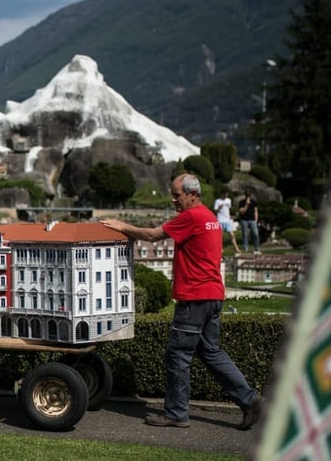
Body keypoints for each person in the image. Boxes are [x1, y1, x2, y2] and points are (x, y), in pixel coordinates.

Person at [100, 173, 263, 430]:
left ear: (192, 194)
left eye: (177, 195)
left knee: (178, 355)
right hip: (213, 296)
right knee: (211, 352)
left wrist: (122, 226)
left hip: (194, 299)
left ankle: (176, 413)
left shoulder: (191, 217)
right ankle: (250, 400)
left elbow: (153, 235)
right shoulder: (210, 218)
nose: (174, 200)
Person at [238, 189, 261, 253]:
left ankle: (257, 248)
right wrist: (246, 205)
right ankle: (245, 248)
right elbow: (241, 212)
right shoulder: (241, 202)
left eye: (249, 195)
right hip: (244, 220)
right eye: (247, 195)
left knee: (255, 234)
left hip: (252, 220)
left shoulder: (254, 202)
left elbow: (256, 211)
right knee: (245, 235)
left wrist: (256, 219)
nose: (248, 196)